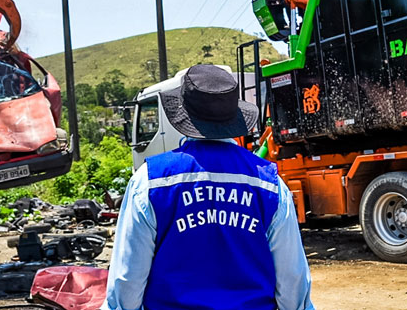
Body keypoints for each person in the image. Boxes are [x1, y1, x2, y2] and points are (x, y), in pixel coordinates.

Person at [102, 64, 314, 310]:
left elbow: (126, 285)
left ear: (184, 114)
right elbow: (293, 281)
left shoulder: (149, 182)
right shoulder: (269, 185)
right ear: (233, 115)